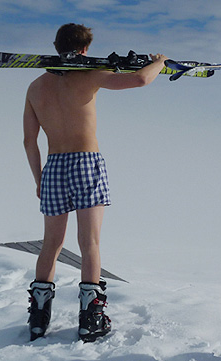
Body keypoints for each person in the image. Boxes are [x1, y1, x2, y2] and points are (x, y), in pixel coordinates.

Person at [23, 23, 168, 342]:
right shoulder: (89, 76)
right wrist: (159, 61)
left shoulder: (35, 87)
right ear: (85, 50)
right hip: (86, 162)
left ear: (55, 46)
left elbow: (29, 141)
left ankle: (38, 319)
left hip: (54, 167)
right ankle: (91, 319)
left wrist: (39, 179)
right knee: (89, 244)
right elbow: (141, 79)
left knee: (51, 244)